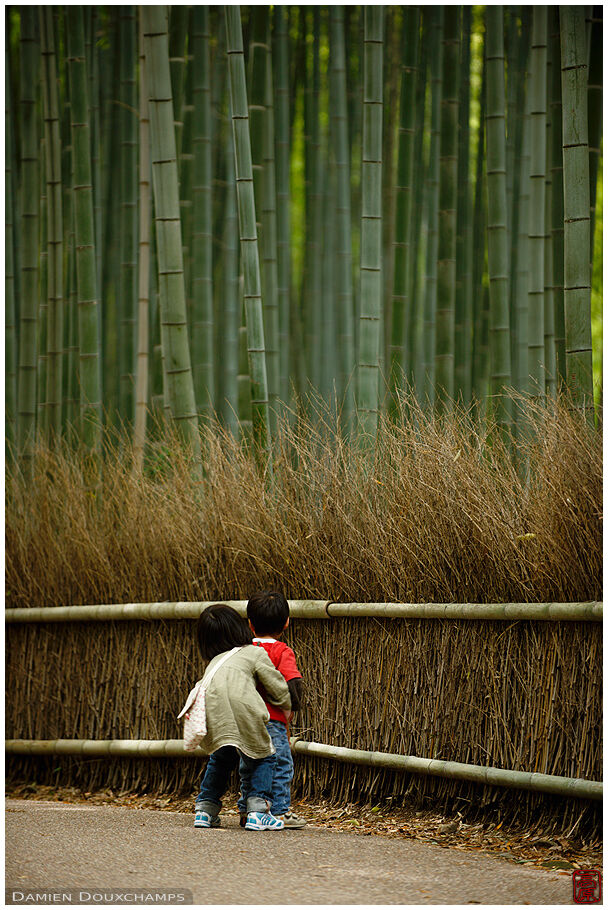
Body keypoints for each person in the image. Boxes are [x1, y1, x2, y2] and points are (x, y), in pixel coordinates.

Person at [192, 603, 292, 831]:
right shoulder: (253, 652)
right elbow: (276, 686)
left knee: (221, 758)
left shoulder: (216, 661)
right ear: (241, 627)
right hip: (243, 709)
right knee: (264, 756)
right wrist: (286, 705)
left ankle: (205, 810)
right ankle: (259, 810)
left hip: (212, 709)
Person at [239, 590, 307, 829]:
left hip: (245, 720)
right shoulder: (281, 651)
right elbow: (292, 682)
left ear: (250, 623)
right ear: (286, 622)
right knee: (279, 763)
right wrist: (291, 707)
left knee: (249, 763)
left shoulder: (243, 649)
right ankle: (278, 810)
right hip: (272, 719)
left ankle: (248, 809)